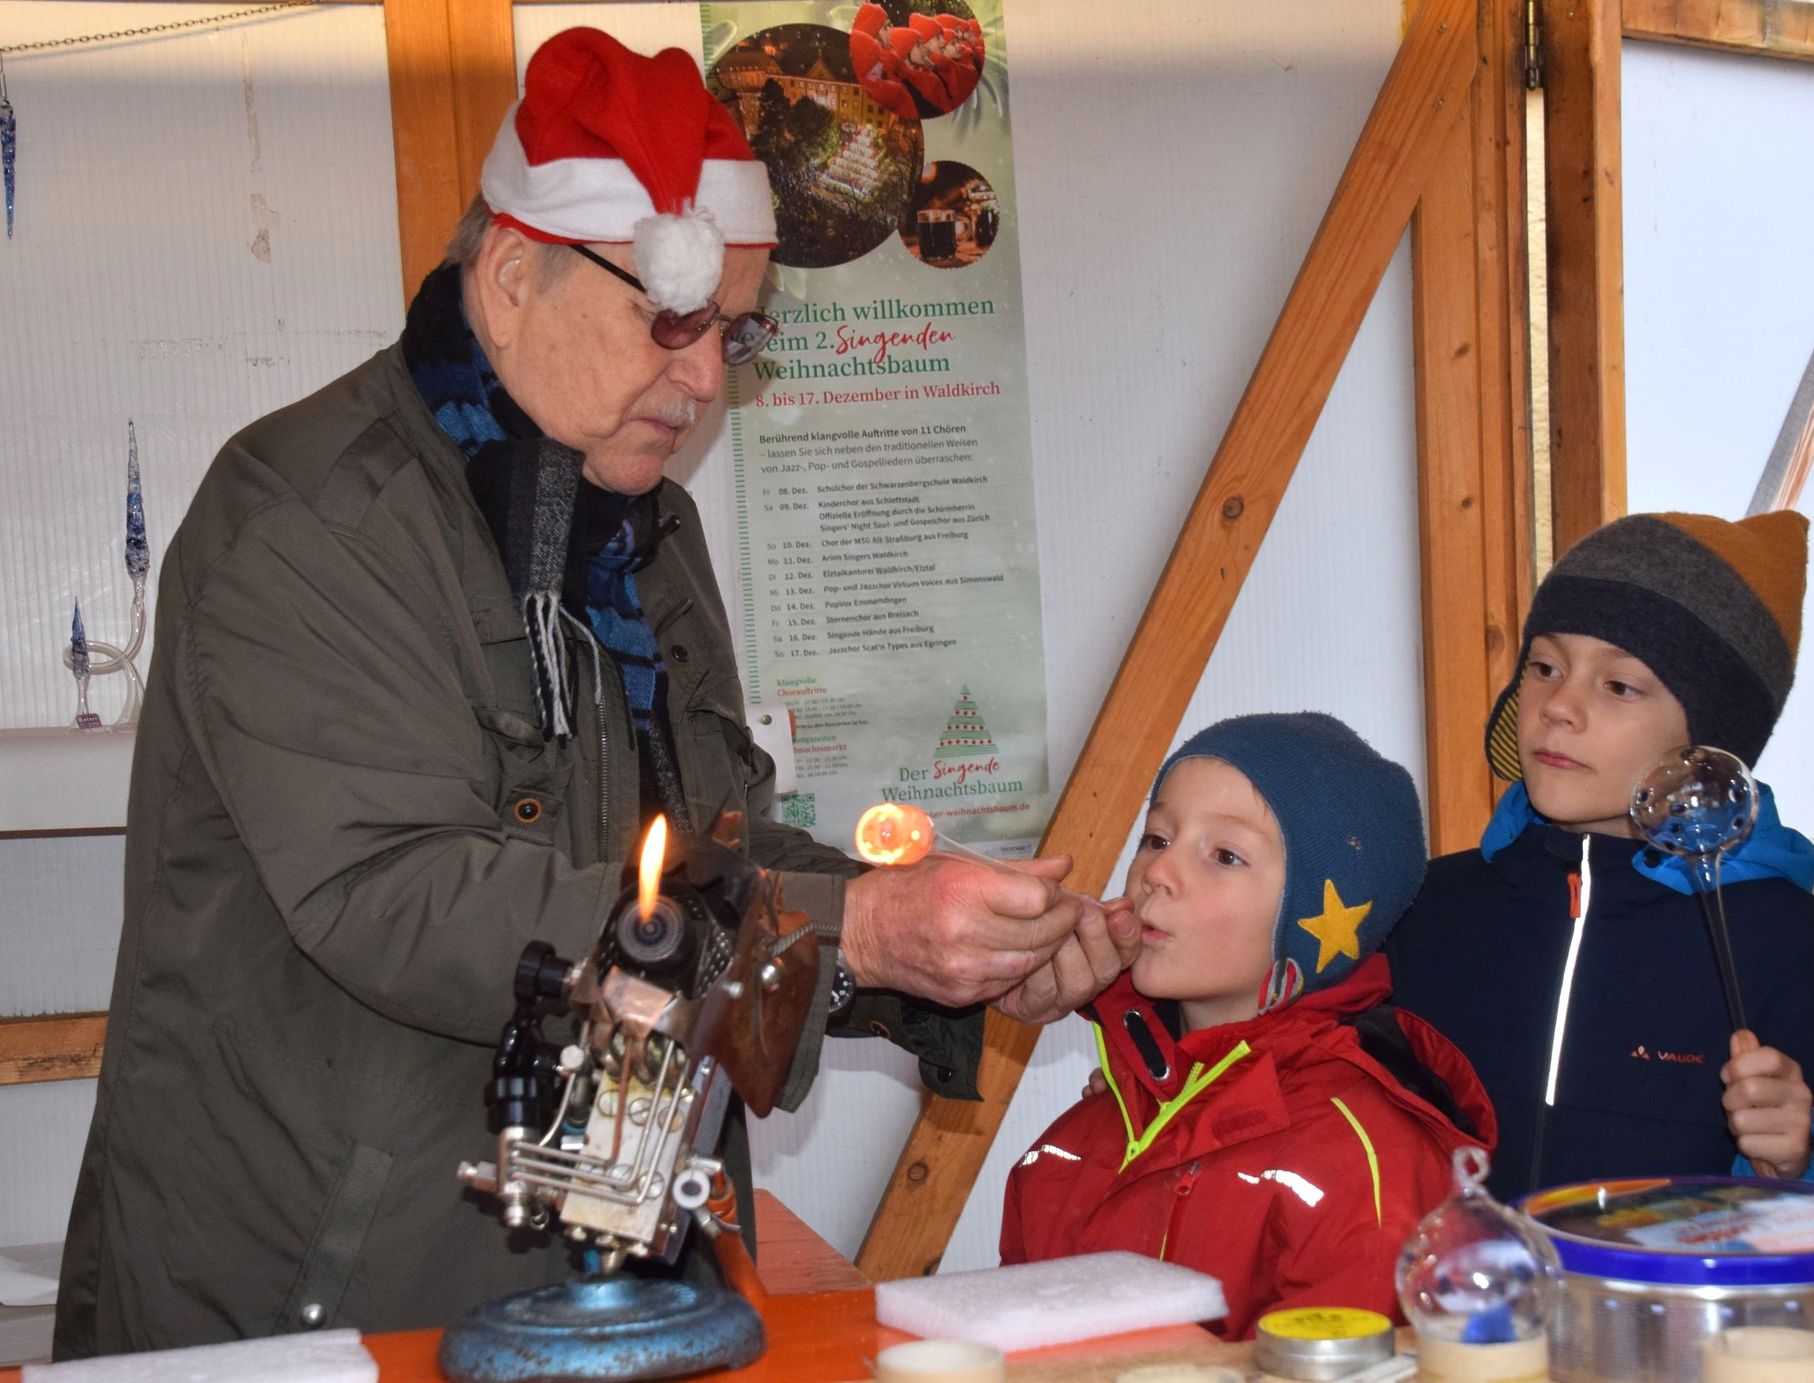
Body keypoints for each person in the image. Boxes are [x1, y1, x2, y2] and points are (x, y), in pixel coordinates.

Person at [54, 30, 1135, 1358]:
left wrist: (948, 953)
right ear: (512, 278)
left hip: (610, 1281)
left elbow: (722, 864)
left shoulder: (645, 536)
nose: (701, 381)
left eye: (733, 336)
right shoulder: (309, 522)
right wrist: (860, 928)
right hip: (316, 1311)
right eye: (673, 319)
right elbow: (396, 895)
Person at [1388, 511, 1814, 1203]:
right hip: (1454, 1312)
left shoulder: (1802, 952)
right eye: (1545, 666)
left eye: (1619, 685)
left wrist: (1799, 1161)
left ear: (1711, 739)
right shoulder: (1425, 910)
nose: (1558, 706)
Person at [1000, 714, 1494, 1339]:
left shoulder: (1360, 1159)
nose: (1157, 872)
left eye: (1224, 855)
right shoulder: (1067, 1147)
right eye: (1157, 838)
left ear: (1318, 922)